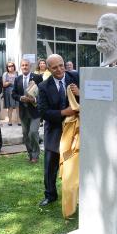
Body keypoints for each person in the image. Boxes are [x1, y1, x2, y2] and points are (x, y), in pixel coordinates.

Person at [37, 54, 79, 206]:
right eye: (55, 67)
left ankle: (77, 194)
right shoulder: (43, 86)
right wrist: (63, 113)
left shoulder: (76, 78)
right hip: (54, 131)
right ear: (48, 68)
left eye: (61, 65)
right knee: (50, 166)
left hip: (75, 131)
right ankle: (50, 195)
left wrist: (80, 93)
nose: (60, 69)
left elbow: (91, 98)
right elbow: (43, 112)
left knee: (74, 164)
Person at [12, 59, 43, 163]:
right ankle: (30, 154)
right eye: (23, 65)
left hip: (35, 111)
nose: (25, 67)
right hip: (23, 111)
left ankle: (35, 155)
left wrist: (33, 99)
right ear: (20, 67)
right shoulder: (17, 79)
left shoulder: (37, 77)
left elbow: (42, 93)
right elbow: (13, 94)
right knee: (25, 134)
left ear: (30, 67)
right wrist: (21, 98)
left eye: (26, 65)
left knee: (33, 132)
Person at [2, 61, 19, 126]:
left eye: (12, 66)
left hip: (17, 91)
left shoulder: (17, 73)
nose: (11, 67)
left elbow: (19, 82)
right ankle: (10, 121)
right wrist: (10, 82)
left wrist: (9, 82)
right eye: (9, 66)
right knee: (10, 107)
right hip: (8, 92)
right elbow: (4, 84)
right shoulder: (5, 74)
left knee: (18, 106)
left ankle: (19, 121)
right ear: (7, 67)